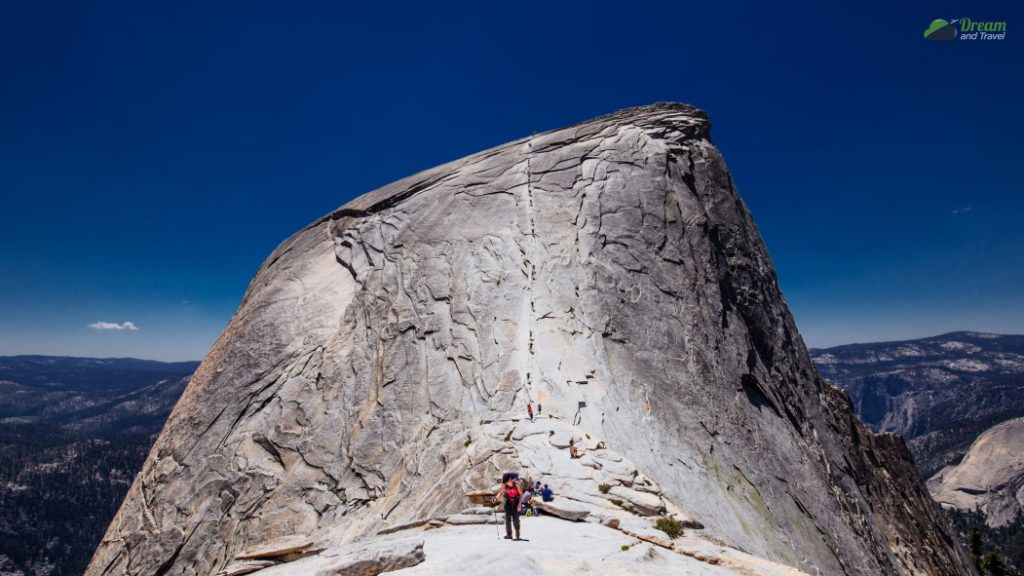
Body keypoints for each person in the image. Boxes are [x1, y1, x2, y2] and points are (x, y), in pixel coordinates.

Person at [497, 473, 523, 540]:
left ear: (510, 479)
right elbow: (500, 493)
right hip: (508, 502)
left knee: (515, 519)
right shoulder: (504, 484)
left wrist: (519, 504)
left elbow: (521, 494)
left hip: (516, 502)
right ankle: (509, 535)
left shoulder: (516, 484)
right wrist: (493, 500)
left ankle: (517, 535)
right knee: (508, 519)